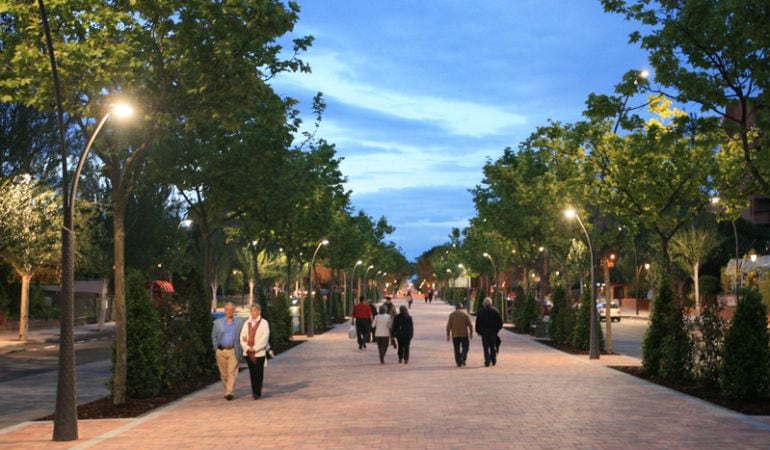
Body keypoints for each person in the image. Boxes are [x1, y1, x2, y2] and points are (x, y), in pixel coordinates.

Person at [211, 302, 245, 400]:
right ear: (225, 311)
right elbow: (214, 336)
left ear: (234, 311)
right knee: (223, 374)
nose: (229, 311)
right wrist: (215, 347)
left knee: (231, 372)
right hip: (221, 350)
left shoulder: (239, 322)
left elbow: (242, 335)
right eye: (227, 309)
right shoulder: (218, 322)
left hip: (233, 350)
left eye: (231, 310)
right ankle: (227, 390)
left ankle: (229, 392)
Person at [240, 303, 270, 399]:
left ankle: (258, 391)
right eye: (252, 311)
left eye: (255, 311)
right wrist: (247, 348)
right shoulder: (246, 323)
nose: (254, 313)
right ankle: (254, 391)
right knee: (252, 372)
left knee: (259, 372)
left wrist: (255, 348)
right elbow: (242, 337)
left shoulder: (264, 323)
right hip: (248, 352)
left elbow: (264, 337)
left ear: (259, 312)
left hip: (259, 353)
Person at [475, 297, 503, 367]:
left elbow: (477, 322)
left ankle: (487, 360)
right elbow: (500, 322)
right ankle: (493, 360)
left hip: (484, 332)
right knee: (492, 346)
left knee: (485, 347)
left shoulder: (480, 311)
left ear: (484, 303)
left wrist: (478, 331)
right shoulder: (495, 311)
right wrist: (497, 329)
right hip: (493, 332)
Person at [446, 302, 473, 367]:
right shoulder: (465, 315)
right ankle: (463, 356)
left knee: (456, 349)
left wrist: (448, 335)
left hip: (455, 335)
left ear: (456, 308)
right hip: (464, 334)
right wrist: (471, 333)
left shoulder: (451, 315)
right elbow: (470, 325)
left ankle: (458, 362)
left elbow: (448, 326)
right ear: (462, 308)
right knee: (465, 347)